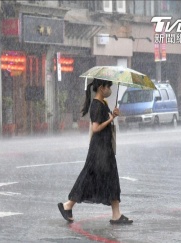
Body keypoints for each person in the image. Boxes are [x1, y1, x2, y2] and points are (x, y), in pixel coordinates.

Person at [58, 78, 133, 225]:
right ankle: (68, 205)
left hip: (104, 148)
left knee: (109, 179)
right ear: (101, 88)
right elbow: (96, 128)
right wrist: (110, 118)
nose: (110, 91)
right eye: (108, 87)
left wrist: (113, 116)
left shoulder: (102, 103)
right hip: (100, 149)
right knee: (89, 178)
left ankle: (116, 214)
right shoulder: (97, 105)